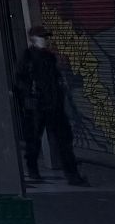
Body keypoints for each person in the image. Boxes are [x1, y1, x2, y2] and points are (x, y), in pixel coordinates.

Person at [14, 25, 88, 185]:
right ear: (33, 39)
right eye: (42, 37)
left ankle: (72, 174)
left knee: (64, 141)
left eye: (46, 37)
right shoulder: (27, 57)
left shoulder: (50, 57)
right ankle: (33, 169)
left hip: (54, 104)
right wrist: (28, 95)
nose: (45, 40)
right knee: (33, 141)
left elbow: (57, 79)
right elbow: (20, 80)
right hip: (36, 106)